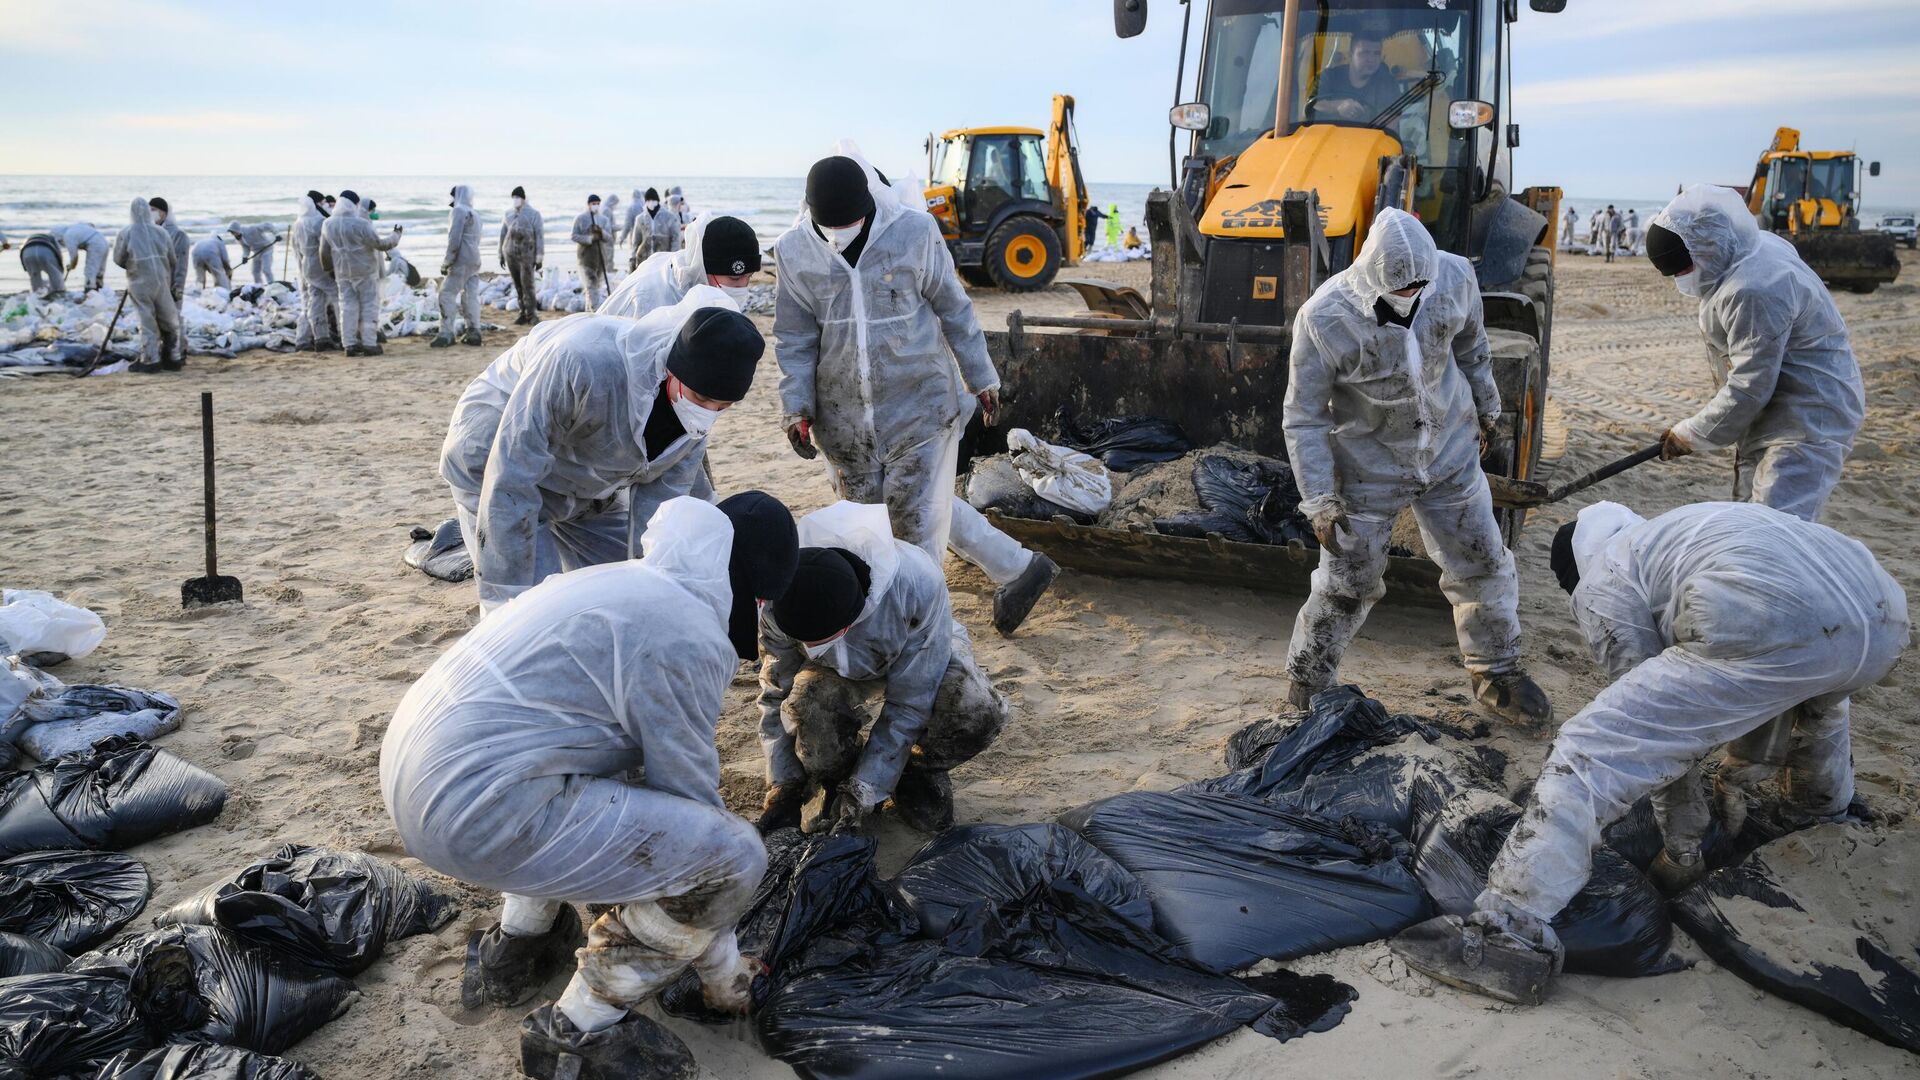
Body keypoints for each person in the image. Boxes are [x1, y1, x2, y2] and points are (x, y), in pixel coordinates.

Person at [1411, 501, 1908, 1001]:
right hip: (1881, 617)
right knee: (1817, 704)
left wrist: (1682, 848)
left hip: (1772, 613)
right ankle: (1817, 816)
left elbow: (1654, 748)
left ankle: (1507, 929)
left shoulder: (1604, 577)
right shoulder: (1673, 534)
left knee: (1593, 749)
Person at [381, 493, 799, 1073]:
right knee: (733, 856)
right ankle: (576, 1027)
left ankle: (517, 947)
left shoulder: (619, 582)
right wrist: (722, 969)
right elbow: (692, 809)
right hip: (475, 810)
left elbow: (605, 763)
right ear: (747, 586)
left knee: (576, 770)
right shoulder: (684, 633)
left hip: (417, 777)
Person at [1281, 207, 1550, 726]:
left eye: (1418, 289)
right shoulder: (1323, 319)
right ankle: (1309, 684)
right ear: (1370, 276)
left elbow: (1473, 346)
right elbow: (1303, 417)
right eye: (1398, 291)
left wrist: (1488, 406)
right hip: (1368, 468)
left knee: (1482, 561)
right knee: (1346, 581)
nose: (1410, 298)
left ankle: (1498, 671)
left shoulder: (1455, 276)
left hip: (1450, 452)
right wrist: (1318, 498)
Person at [775, 152, 1061, 635]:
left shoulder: (912, 233)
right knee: (870, 531)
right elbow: (795, 337)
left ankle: (926, 645)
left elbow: (954, 307)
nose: (840, 233)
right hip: (845, 424)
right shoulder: (794, 251)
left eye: (850, 223)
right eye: (830, 226)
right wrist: (796, 407)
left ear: (868, 207)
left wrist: (981, 377)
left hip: (921, 409)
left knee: (914, 532)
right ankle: (1017, 566)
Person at [441, 288, 763, 616]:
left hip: (585, 487)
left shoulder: (695, 423)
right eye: (700, 397)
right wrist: (505, 597)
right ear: (672, 370)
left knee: (620, 596)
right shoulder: (584, 361)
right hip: (494, 455)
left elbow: (661, 507)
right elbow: (512, 473)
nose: (707, 411)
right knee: (532, 610)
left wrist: (653, 578)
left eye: (722, 406)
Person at [756, 501, 1009, 836]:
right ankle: (836, 777)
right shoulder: (776, 600)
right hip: (830, 669)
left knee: (975, 709)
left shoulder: (916, 584)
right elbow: (776, 693)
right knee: (808, 708)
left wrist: (867, 787)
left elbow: (910, 702)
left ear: (851, 622)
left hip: (916, 647)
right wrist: (783, 786)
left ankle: (914, 771)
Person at [1646, 186, 1863, 521]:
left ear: (1706, 247)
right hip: (1777, 408)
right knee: (1750, 517)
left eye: (1681, 271)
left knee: (1777, 526)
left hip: (1807, 418)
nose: (1680, 281)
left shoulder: (1754, 288)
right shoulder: (1751, 247)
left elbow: (1750, 385)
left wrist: (1689, 433)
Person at [601, 213, 759, 319]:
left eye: (749, 277)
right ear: (705, 269)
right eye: (735, 278)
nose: (742, 286)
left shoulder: (701, 285)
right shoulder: (656, 298)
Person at [319, 190, 403, 357]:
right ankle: (369, 344)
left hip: (342, 273)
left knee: (347, 308)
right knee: (369, 308)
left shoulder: (328, 224)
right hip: (365, 272)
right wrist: (396, 235)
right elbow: (380, 244)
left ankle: (349, 344)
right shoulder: (362, 224)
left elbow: (324, 252)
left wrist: (329, 270)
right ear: (354, 204)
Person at [111, 197, 183, 374]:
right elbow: (173, 259)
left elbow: (118, 259)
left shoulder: (126, 232)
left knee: (147, 320)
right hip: (161, 281)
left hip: (139, 283)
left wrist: (135, 265)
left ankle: (151, 360)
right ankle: (173, 358)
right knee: (169, 319)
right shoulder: (161, 232)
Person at [1309, 32, 1403, 125]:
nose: (1371, 59)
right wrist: (1338, 105)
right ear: (1350, 55)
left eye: (1376, 53)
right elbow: (1314, 104)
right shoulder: (1329, 76)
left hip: (1372, 138)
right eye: (1364, 53)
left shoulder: (1388, 83)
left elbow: (1393, 119)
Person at [434, 185, 484, 348]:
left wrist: (447, 262)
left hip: (461, 259)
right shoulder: (475, 214)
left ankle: (446, 333)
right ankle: (474, 331)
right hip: (474, 258)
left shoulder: (458, 211)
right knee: (470, 295)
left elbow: (454, 239)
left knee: (446, 293)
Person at [291, 193, 339, 351]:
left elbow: (296, 249)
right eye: (323, 202)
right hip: (320, 264)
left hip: (306, 265)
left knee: (314, 301)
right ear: (317, 203)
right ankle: (345, 335)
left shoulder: (298, 222)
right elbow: (326, 247)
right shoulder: (319, 221)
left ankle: (318, 338)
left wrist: (301, 268)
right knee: (337, 297)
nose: (326, 205)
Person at [498, 185, 545, 325]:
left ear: (524, 199)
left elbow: (539, 236)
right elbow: (502, 235)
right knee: (517, 285)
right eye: (514, 197)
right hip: (510, 253)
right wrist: (500, 254)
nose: (515, 200)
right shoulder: (508, 214)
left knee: (528, 284)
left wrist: (539, 257)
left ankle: (532, 314)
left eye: (518, 197)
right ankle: (522, 313)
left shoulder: (533, 214)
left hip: (527, 254)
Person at [570, 194, 615, 313]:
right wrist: (590, 238)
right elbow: (574, 236)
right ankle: (595, 311)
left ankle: (588, 312)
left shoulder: (603, 220)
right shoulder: (580, 219)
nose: (595, 206)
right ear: (588, 205)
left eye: (597, 204)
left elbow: (609, 237)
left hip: (600, 258)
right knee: (590, 285)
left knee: (596, 286)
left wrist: (601, 233)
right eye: (593, 203)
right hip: (585, 258)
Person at [148, 197, 190, 309]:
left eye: (153, 210)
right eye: (149, 210)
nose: (150, 213)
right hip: (154, 287)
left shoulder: (178, 235)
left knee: (171, 320)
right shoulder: (151, 232)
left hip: (170, 285)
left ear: (163, 213)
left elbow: (182, 263)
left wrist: (178, 288)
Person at [632, 187, 683, 268]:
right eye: (648, 200)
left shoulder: (669, 217)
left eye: (653, 200)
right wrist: (633, 259)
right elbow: (636, 242)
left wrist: (673, 260)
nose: (651, 202)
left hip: (663, 261)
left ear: (658, 201)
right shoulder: (640, 219)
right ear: (645, 202)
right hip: (645, 261)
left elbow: (675, 239)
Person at [58, 222, 108, 293]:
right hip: (103, 240)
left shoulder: (67, 236)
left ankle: (89, 291)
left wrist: (71, 266)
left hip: (95, 245)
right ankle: (99, 290)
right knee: (100, 270)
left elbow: (74, 256)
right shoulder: (75, 227)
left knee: (90, 271)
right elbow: (91, 225)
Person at [17, 233, 66, 299]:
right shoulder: (52, 238)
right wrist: (61, 271)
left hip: (27, 252)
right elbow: (59, 255)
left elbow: (21, 250)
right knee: (55, 275)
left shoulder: (28, 238)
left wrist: (26, 267)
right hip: (46, 250)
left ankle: (37, 296)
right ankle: (58, 294)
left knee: (35, 277)